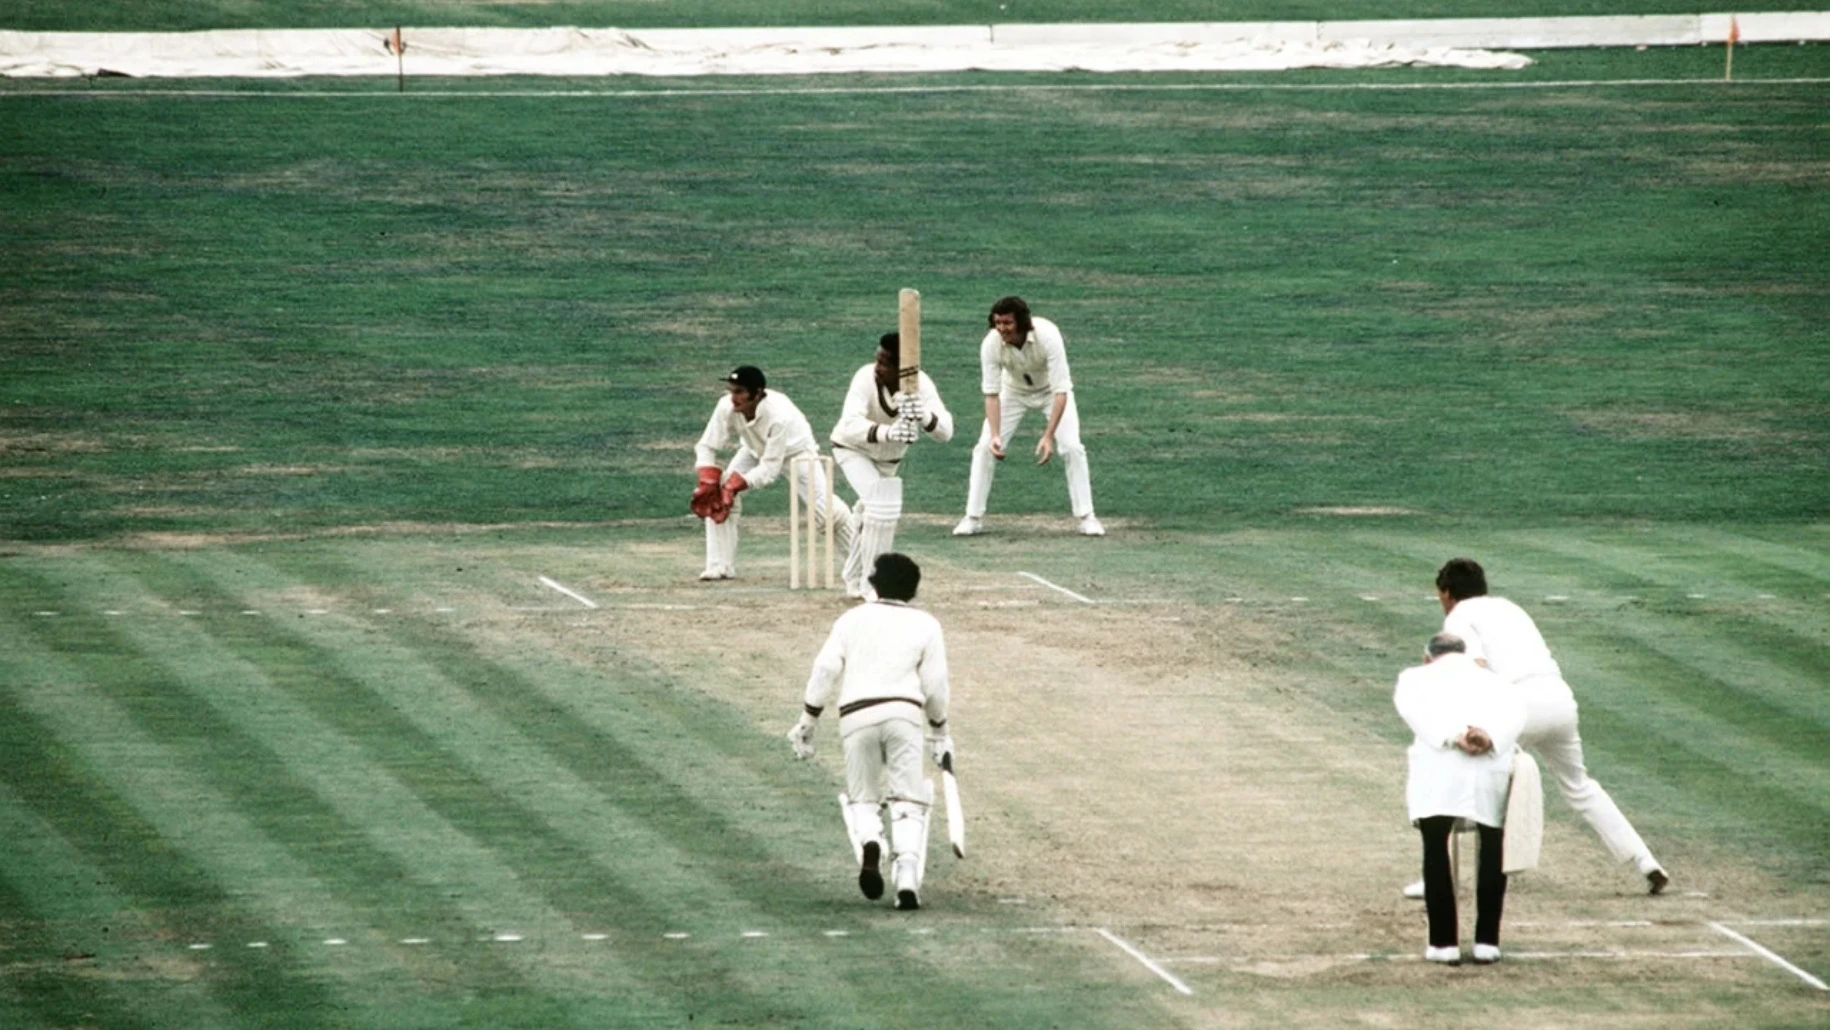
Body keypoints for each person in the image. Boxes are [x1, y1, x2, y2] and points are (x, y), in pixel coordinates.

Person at [1433, 557, 1671, 894]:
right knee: (1580, 786)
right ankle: (1646, 862)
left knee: (1452, 768)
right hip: (1560, 703)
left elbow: (1477, 667)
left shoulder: (1459, 616)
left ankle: (1438, 876)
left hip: (1518, 708)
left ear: (1447, 593)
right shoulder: (1510, 608)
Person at [787, 553, 953, 910]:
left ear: (875, 584)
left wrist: (807, 720)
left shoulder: (851, 619)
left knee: (863, 798)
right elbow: (935, 686)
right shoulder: (927, 624)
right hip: (903, 713)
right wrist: (939, 731)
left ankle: (871, 843)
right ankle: (907, 875)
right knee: (908, 798)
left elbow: (825, 670)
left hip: (856, 716)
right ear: (914, 588)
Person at [1395, 632, 1528, 965]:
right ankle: (1487, 942)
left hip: (1439, 771)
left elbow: (1415, 714)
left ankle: (1443, 944)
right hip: (1489, 769)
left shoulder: (1414, 677)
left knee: (1435, 846)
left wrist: (1455, 737)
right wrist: (1487, 737)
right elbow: (1516, 716)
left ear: (1429, 656)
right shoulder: (1497, 682)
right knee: (1492, 846)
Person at [953, 296, 1104, 537]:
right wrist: (994, 435)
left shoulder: (1048, 336)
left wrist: (1048, 436)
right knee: (984, 448)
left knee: (1072, 447)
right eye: (998, 323)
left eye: (1007, 323)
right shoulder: (990, 344)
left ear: (1022, 322)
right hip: (1012, 392)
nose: (1002, 329)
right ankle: (973, 517)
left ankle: (1087, 517)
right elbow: (991, 394)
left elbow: (1061, 391)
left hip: (1050, 393)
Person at [691, 365, 853, 581]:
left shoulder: (778, 416)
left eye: (739, 392)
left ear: (757, 393)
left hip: (797, 452)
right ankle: (719, 566)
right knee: (716, 495)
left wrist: (739, 483)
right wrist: (707, 477)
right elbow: (706, 445)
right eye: (731, 391)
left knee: (826, 511)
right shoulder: (725, 406)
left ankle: (863, 564)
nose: (733, 397)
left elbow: (769, 469)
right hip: (753, 449)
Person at [830, 332, 955, 598]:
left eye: (886, 363)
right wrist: (889, 432)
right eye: (878, 359)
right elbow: (849, 424)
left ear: (903, 369)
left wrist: (923, 414)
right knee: (879, 505)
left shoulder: (920, 385)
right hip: (852, 450)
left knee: (869, 511)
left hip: (888, 460)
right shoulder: (865, 377)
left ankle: (852, 577)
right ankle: (871, 584)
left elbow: (946, 432)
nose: (878, 367)